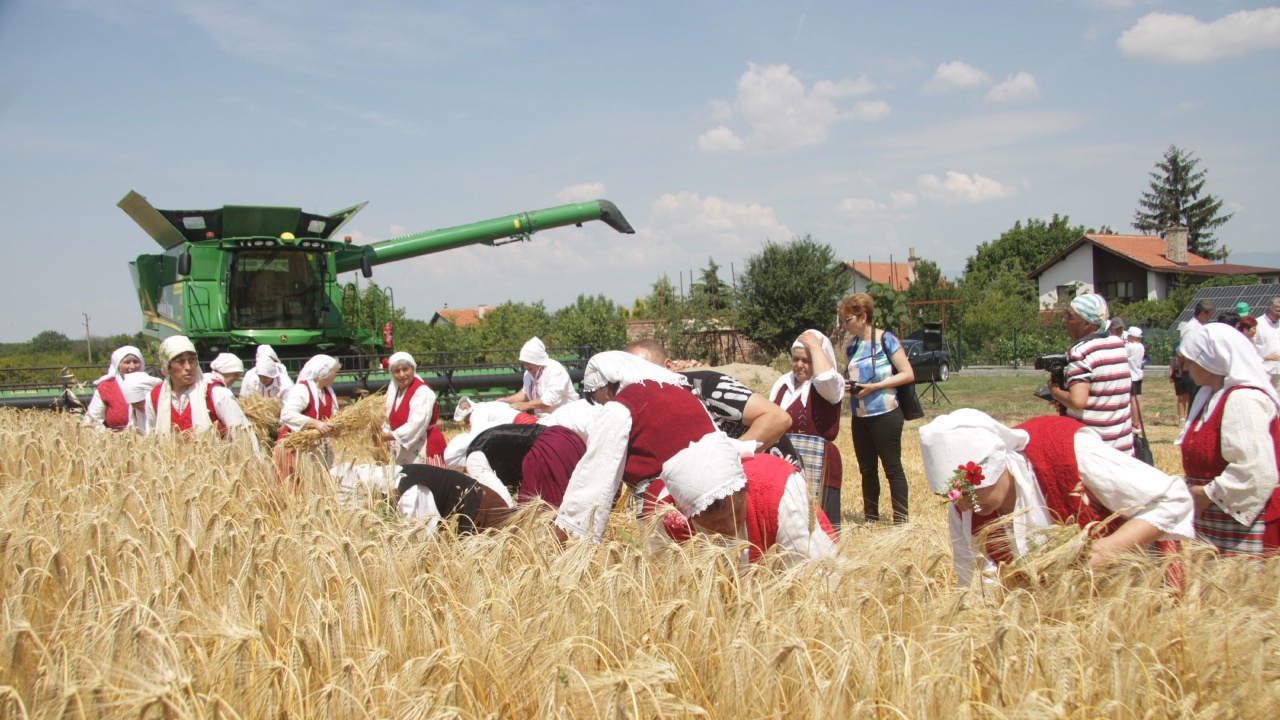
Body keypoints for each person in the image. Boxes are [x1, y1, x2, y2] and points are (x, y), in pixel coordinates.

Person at [919, 409, 1195, 587]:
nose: (963, 505)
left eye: (969, 492)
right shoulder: (964, 511)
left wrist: (1105, 550)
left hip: (1129, 593)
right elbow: (975, 586)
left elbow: (1173, 498)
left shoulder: (1064, 453)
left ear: (997, 466)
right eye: (951, 496)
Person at [554, 351, 723, 543]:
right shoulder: (682, 392)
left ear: (608, 387)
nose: (603, 405)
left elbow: (594, 479)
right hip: (727, 495)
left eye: (600, 399)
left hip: (673, 506)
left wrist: (565, 539)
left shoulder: (621, 406)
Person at [644, 435, 837, 565]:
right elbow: (667, 586)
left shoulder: (776, 491)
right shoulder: (669, 519)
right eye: (715, 522)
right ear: (688, 514)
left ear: (743, 489)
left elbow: (812, 575)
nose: (729, 526)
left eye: (736, 512)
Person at [1176, 323, 1280, 555]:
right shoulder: (1209, 397)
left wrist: (1206, 495)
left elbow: (1256, 470)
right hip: (1215, 518)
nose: (1187, 368)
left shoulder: (1244, 400)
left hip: (1243, 522)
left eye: (1191, 360)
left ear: (1212, 359)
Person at [625, 338, 794, 453]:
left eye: (646, 372)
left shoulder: (707, 386)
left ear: (669, 366)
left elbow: (778, 418)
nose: (641, 382)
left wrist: (728, 458)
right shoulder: (651, 409)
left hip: (776, 485)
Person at [841, 292, 915, 524]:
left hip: (886, 414)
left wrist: (875, 387)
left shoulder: (887, 340)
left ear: (863, 317)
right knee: (866, 470)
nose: (845, 325)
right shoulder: (851, 346)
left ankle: (900, 521)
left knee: (892, 468)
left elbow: (907, 373)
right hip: (859, 416)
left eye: (848, 319)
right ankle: (871, 519)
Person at [770, 330, 846, 530]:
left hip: (819, 462)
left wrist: (816, 346)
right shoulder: (782, 385)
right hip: (785, 462)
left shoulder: (829, 386)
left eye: (807, 360)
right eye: (796, 359)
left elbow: (825, 378)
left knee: (821, 528)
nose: (799, 364)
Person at [1049, 293, 1133, 454]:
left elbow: (1077, 401)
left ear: (1087, 323)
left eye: (1070, 316)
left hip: (1093, 449)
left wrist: (1054, 391)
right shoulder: (1117, 343)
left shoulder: (1081, 352)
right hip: (1121, 446)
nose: (1064, 320)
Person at [145, 336, 255, 442]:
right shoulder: (155, 397)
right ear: (167, 366)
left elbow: (243, 434)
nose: (188, 367)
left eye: (192, 360)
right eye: (180, 361)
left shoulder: (214, 392)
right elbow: (152, 437)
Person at [461, 422, 588, 509]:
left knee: (541, 515)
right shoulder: (483, 438)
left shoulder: (473, 459)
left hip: (546, 451)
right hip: (564, 438)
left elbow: (500, 497)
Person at [380, 352, 446, 466]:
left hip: (425, 448)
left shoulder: (421, 391)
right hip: (403, 450)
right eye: (396, 371)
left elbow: (416, 422)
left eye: (405, 369)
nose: (401, 374)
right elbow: (388, 418)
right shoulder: (394, 392)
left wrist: (388, 436)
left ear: (413, 369)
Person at [277, 354, 341, 469]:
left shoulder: (328, 392)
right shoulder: (302, 389)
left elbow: (332, 417)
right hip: (297, 447)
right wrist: (316, 423)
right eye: (334, 371)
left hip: (319, 448)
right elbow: (287, 414)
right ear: (324, 372)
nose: (335, 374)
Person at [498, 337, 578, 417]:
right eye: (523, 362)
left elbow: (550, 400)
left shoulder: (555, 369)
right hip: (547, 420)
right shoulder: (528, 373)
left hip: (567, 417)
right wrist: (506, 401)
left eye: (528, 362)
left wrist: (526, 405)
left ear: (538, 360)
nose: (525, 366)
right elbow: (526, 393)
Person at [82, 345, 146, 432]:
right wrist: (109, 438)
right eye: (127, 362)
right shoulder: (106, 387)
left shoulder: (151, 385)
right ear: (118, 365)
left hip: (148, 441)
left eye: (136, 362)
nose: (132, 366)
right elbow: (93, 420)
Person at [1170, 322, 1196, 426]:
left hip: (1190, 371)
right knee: (1181, 396)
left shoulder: (1192, 344)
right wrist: (1171, 373)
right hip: (1178, 372)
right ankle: (1181, 418)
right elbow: (1173, 360)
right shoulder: (1176, 345)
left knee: (1190, 395)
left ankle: (1190, 417)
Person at [1253, 297, 1280, 391]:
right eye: (1277, 310)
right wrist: (1266, 358)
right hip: (1264, 370)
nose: (1279, 314)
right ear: (1269, 308)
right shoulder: (1257, 324)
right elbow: (1250, 347)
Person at [1124, 327, 1147, 431]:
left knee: (1132, 399)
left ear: (1132, 336)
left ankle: (1135, 422)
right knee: (1138, 397)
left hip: (1131, 375)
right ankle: (1139, 421)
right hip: (1138, 374)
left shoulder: (1129, 347)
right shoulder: (1141, 346)